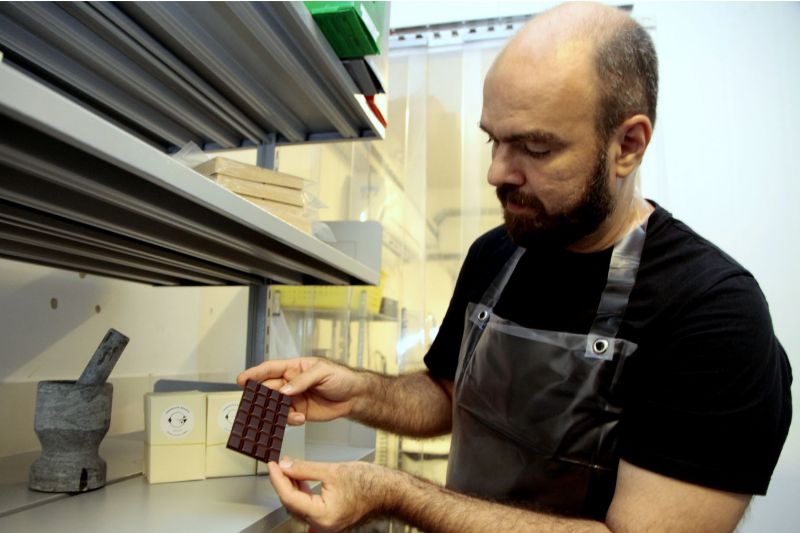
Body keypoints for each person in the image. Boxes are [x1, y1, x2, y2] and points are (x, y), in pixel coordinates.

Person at [238, 3, 792, 531]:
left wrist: (396, 492)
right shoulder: (496, 254)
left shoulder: (713, 312)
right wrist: (358, 391)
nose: (498, 173)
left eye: (534, 147)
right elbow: (452, 395)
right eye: (494, 140)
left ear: (628, 145)